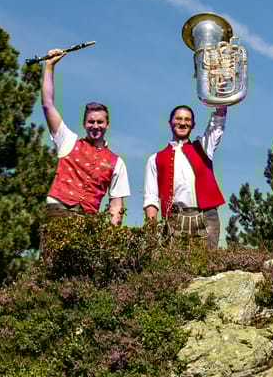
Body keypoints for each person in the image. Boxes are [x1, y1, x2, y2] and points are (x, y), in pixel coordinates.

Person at [39, 48, 130, 247]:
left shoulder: (117, 162)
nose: (95, 126)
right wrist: (49, 66)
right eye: (91, 122)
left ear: (107, 124)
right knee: (50, 265)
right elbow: (47, 105)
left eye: (99, 122)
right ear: (84, 123)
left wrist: (111, 235)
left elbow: (116, 204)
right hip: (59, 210)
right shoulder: (68, 140)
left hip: (88, 219)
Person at [142, 103, 227, 247]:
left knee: (208, 264)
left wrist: (221, 101)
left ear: (193, 124)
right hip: (174, 219)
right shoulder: (154, 159)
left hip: (206, 217)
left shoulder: (204, 147)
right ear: (170, 123)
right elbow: (151, 198)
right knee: (174, 265)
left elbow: (216, 126)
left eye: (187, 120)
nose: (183, 123)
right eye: (179, 119)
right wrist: (151, 233)